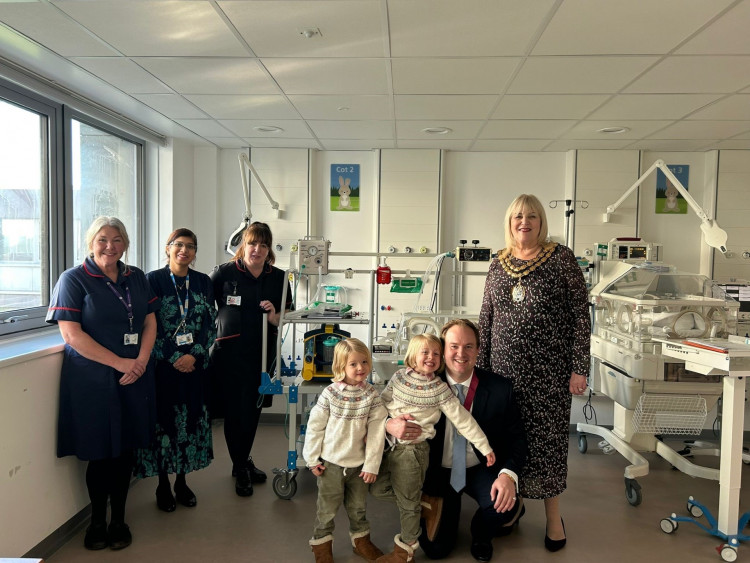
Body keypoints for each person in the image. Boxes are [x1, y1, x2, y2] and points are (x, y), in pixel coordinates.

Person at [477, 194, 590, 552]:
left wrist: (579, 368)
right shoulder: (498, 263)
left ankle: (553, 518)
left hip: (549, 375)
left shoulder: (561, 259)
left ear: (541, 221)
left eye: (532, 216)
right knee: (505, 441)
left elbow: (580, 317)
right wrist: (480, 371)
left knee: (547, 447)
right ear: (509, 223)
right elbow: (486, 318)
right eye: (517, 217)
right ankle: (512, 506)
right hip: (503, 373)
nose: (524, 222)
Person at [46, 216, 159, 551]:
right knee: (98, 453)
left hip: (134, 376)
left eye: (117, 239)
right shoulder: (74, 279)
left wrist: (140, 361)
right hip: (92, 379)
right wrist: (121, 362)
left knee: (125, 449)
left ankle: (119, 519)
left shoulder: (136, 277)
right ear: (91, 242)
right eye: (102, 239)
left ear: (125, 243)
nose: (110, 246)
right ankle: (96, 521)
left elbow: (150, 322)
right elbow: (70, 334)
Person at [371, 334, 496, 563]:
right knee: (376, 488)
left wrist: (484, 446)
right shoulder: (398, 377)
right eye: (425, 352)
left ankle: (405, 551)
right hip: (390, 446)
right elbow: (382, 403)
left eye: (436, 353)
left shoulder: (439, 389)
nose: (431, 357)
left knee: (408, 505)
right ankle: (425, 505)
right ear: (412, 355)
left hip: (414, 452)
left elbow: (463, 419)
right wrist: (388, 422)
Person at [413, 319, 526, 562]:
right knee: (436, 550)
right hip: (438, 472)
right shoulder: (421, 383)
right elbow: (388, 410)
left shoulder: (500, 388)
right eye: (453, 346)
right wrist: (392, 423)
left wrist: (507, 476)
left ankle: (481, 533)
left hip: (479, 468)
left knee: (506, 507)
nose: (460, 354)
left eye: (468, 346)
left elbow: (518, 438)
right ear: (443, 349)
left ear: (477, 349)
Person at [133, 228, 217, 512]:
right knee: (164, 424)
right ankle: (162, 485)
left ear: (195, 252)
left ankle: (182, 481)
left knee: (190, 422)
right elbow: (148, 324)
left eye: (190, 246)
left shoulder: (204, 282)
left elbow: (211, 323)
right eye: (178, 245)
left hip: (195, 367)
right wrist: (172, 357)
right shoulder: (152, 281)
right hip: (163, 368)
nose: (184, 250)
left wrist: (194, 355)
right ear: (168, 248)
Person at [210, 221, 292, 496]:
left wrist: (273, 316)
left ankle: (242, 460)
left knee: (253, 410)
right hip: (230, 355)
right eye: (252, 243)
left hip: (262, 355)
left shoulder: (279, 278)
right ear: (243, 244)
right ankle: (241, 466)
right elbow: (201, 306)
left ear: (269, 250)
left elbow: (284, 317)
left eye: (263, 244)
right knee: (235, 412)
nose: (257, 249)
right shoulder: (223, 273)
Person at [303, 338, 388, 563]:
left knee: (358, 508)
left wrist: (371, 465)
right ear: (341, 367)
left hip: (359, 467)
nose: (360, 368)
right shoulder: (330, 394)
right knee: (327, 509)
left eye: (364, 362)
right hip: (331, 464)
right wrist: (312, 458)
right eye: (353, 364)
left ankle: (361, 542)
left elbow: (378, 432)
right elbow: (315, 426)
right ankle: (321, 546)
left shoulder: (372, 395)